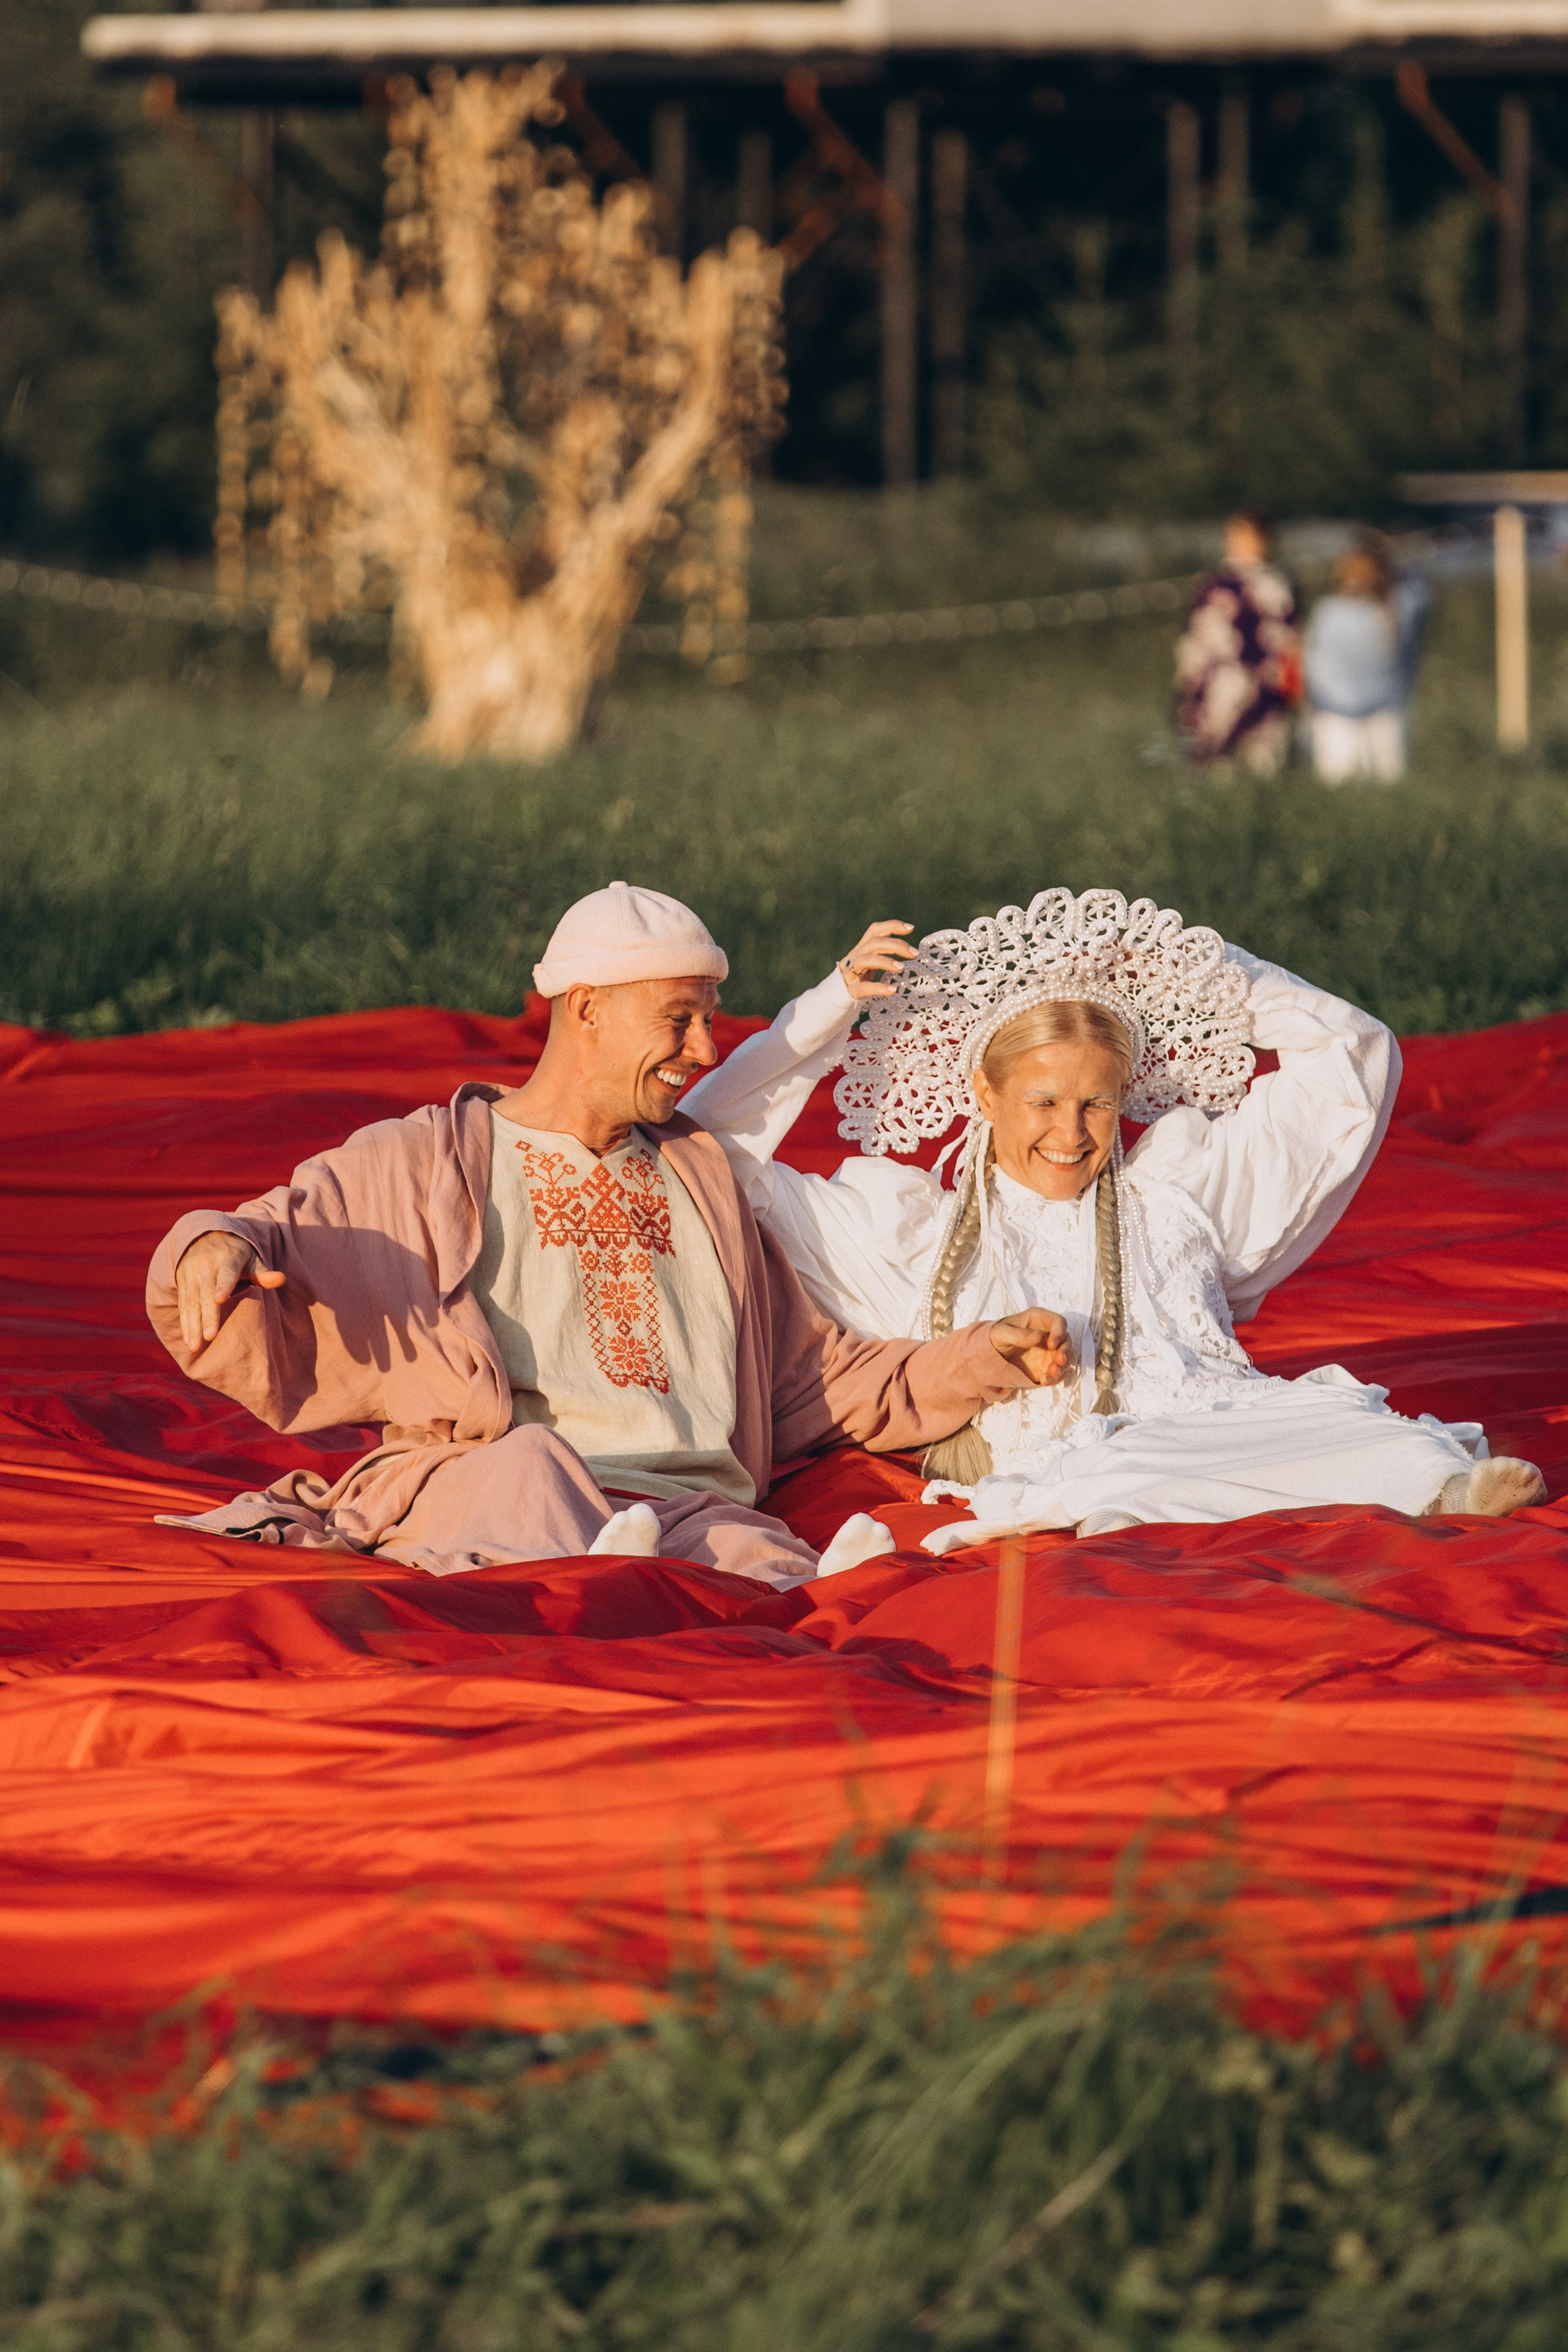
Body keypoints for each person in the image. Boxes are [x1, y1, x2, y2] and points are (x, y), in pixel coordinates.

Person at [146, 885, 1068, 1587]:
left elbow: (818, 1379)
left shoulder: (700, 1176)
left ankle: (655, 1573)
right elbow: (271, 1231)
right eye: (680, 1018)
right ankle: (598, 1569)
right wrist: (210, 1248)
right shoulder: (430, 1157)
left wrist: (986, 1355)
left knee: (761, 1560)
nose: (706, 1050)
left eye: (710, 1019)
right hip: (498, 1481)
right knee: (533, 1471)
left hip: (682, 1503)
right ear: (587, 1009)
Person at [684, 888, 1546, 1545]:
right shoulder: (910, 1233)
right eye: (1044, 1102)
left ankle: (1431, 1488)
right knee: (1110, 1470)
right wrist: (825, 1014)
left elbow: (1351, 1055)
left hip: (1227, 1430)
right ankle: (1156, 1503)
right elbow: (709, 1148)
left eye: (1097, 1104)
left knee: (1342, 1423)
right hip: (1096, 1462)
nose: (1070, 1134)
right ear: (984, 1093)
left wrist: (1203, 969)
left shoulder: (1178, 1198)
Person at [1174, 508, 1301, 774]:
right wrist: (1187, 679)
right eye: (1235, 536)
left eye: (1249, 537)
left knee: (1263, 761)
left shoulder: (1277, 585)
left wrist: (1292, 685)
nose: (1241, 544)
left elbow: (1290, 641)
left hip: (1265, 685)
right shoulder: (1214, 583)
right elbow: (1196, 637)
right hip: (1218, 685)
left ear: (1266, 541)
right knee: (1216, 763)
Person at [1303, 532, 1430, 784]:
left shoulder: (1392, 607)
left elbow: (1314, 665)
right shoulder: (1335, 610)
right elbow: (1314, 664)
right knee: (1362, 791)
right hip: (1358, 714)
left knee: (1369, 790)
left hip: (1364, 713)